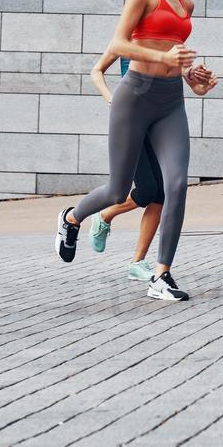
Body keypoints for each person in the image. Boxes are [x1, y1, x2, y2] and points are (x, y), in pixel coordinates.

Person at [54, 0, 218, 302]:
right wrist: (163, 56)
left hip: (170, 100)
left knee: (176, 183)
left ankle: (161, 274)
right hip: (135, 96)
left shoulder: (186, 3)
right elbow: (119, 44)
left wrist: (193, 77)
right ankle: (72, 218)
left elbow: (176, 59)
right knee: (116, 189)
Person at [86, 49, 162, 284]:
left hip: (158, 121)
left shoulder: (165, 40)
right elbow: (96, 71)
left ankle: (137, 263)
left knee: (162, 195)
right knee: (148, 190)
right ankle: (103, 216)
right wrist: (111, 99)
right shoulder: (126, 40)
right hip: (130, 120)